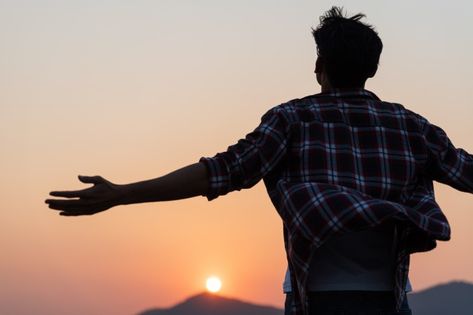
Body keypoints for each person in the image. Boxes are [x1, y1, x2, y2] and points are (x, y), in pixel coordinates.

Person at [45, 6, 473, 315]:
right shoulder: (411, 126)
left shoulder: (292, 119)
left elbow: (220, 172)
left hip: (316, 300)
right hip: (389, 300)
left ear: (319, 65)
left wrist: (123, 193)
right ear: (373, 69)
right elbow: (466, 172)